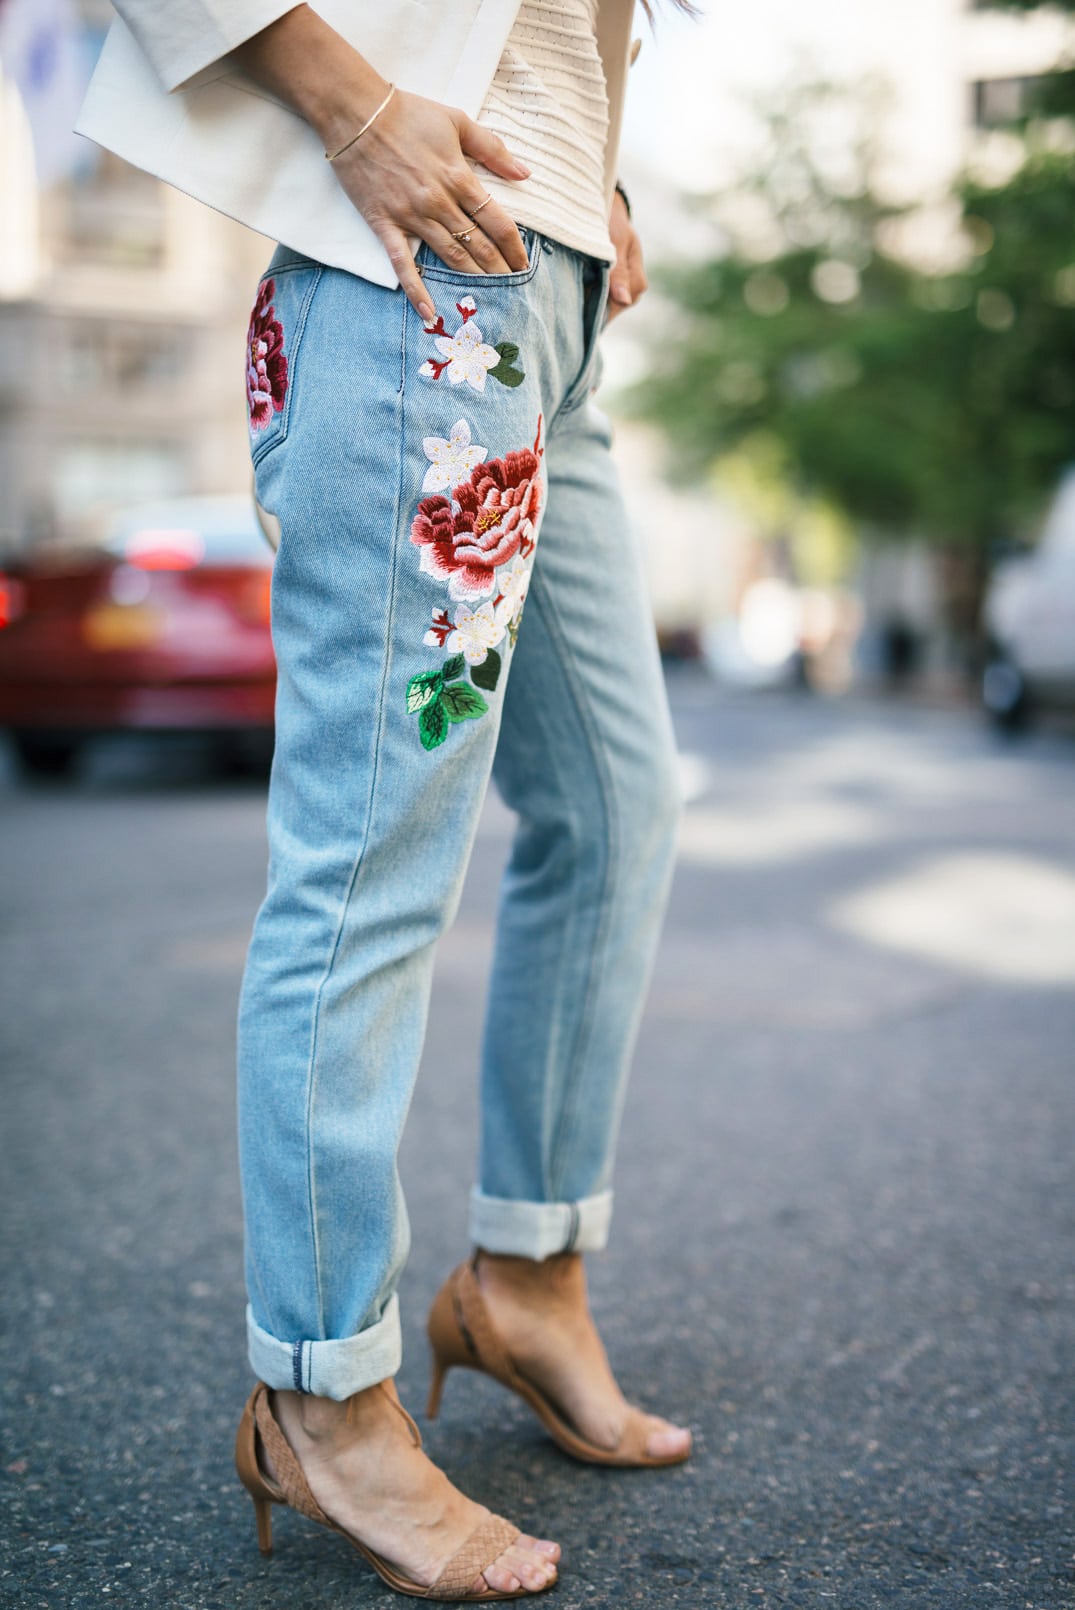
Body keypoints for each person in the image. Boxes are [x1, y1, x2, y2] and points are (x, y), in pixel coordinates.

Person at [78, 0, 694, 1598]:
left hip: (550, 280)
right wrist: (352, 109)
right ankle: (319, 1385)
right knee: (367, 863)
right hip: (408, 282)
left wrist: (600, 180)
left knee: (620, 805)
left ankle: (528, 1279)